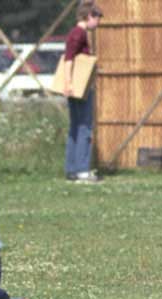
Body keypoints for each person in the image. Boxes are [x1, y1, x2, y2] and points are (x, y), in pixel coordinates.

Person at [63, 1, 103, 183]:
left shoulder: (76, 33)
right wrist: (68, 83)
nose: (99, 23)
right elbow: (68, 59)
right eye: (98, 18)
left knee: (75, 127)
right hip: (79, 89)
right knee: (84, 127)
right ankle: (81, 170)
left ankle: (72, 169)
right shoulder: (78, 34)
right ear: (89, 17)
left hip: (77, 88)